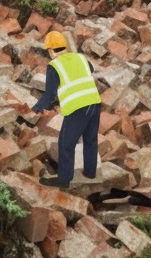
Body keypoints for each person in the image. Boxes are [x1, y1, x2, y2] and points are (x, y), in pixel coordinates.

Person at [31, 30, 101, 189]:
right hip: (94, 102)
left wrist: (37, 108)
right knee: (90, 139)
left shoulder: (54, 65)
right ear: (65, 46)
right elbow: (89, 71)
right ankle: (90, 172)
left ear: (50, 50)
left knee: (66, 143)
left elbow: (49, 94)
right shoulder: (80, 58)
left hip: (78, 108)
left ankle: (63, 181)